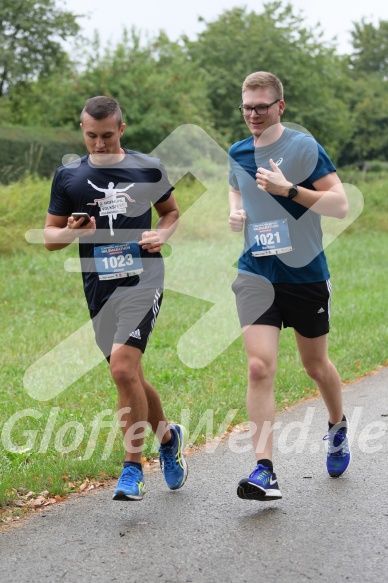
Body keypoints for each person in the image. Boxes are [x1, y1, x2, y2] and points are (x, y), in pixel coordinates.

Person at [44, 95, 188, 501]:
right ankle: (168, 437)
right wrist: (73, 231)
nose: (100, 144)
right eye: (92, 136)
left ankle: (132, 469)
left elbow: (171, 212)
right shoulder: (68, 176)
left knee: (123, 370)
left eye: (107, 135)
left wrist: (163, 233)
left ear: (121, 130)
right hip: (98, 285)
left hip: (143, 279)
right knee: (132, 376)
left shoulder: (147, 168)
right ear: (82, 130)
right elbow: (50, 239)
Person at [228, 72, 350, 501]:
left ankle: (337, 426)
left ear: (280, 106)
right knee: (259, 367)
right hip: (257, 273)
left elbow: (340, 204)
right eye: (247, 106)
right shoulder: (238, 151)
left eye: (261, 106)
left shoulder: (303, 146)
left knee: (316, 367)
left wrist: (291, 190)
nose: (253, 114)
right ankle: (265, 471)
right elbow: (237, 191)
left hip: (305, 274)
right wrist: (237, 212)